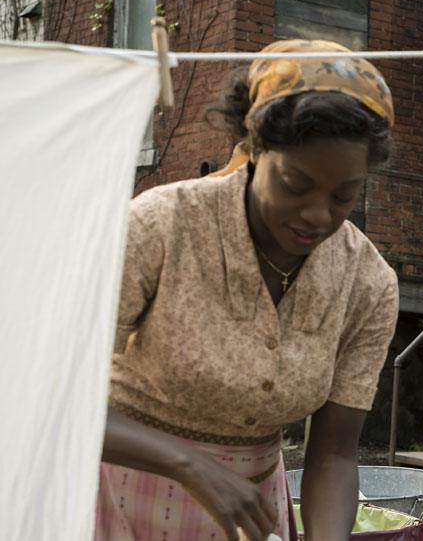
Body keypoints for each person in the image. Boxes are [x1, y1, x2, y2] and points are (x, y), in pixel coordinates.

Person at [97, 40, 399, 541]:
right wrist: (187, 463)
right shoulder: (161, 226)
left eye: (343, 194)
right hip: (117, 499)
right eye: (295, 185)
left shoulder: (367, 282)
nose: (318, 215)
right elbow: (56, 399)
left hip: (251, 519)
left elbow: (334, 454)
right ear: (255, 148)